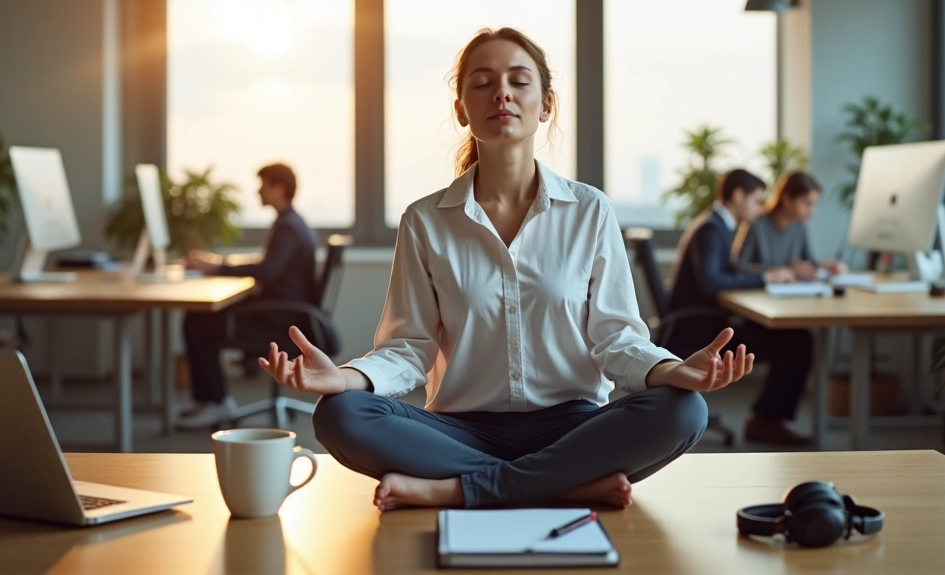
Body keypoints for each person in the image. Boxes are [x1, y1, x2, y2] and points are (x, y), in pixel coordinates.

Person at [257, 27, 757, 511]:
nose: (502, 94)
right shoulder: (425, 220)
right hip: (458, 427)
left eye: (519, 81)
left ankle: (458, 489)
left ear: (546, 105)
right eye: (482, 83)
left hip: (573, 425)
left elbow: (616, 339)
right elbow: (408, 348)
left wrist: (674, 369)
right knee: (341, 415)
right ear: (461, 110)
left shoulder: (590, 211)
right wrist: (344, 379)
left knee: (684, 408)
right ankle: (561, 485)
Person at [666, 169, 813, 446]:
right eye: (756, 201)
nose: (760, 209)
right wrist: (767, 277)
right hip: (701, 331)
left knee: (794, 338)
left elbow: (729, 271)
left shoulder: (714, 225)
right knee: (796, 341)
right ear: (738, 196)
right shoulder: (712, 229)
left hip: (705, 322)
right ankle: (765, 421)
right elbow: (712, 282)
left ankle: (766, 418)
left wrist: (770, 273)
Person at [176, 163, 317, 429]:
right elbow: (271, 265)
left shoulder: (288, 226)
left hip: (280, 321)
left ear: (278, 188)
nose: (257, 192)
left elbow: (267, 270)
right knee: (200, 318)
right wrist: (221, 263)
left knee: (199, 322)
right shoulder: (290, 221)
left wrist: (216, 266)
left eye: (262, 185)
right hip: (283, 313)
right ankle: (210, 400)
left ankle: (215, 403)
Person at [736, 171, 847, 280]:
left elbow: (810, 263)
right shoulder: (757, 224)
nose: (812, 211)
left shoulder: (799, 227)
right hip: (756, 294)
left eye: (814, 204)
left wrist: (828, 267)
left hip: (787, 293)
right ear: (787, 199)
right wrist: (787, 271)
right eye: (807, 203)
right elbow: (739, 267)